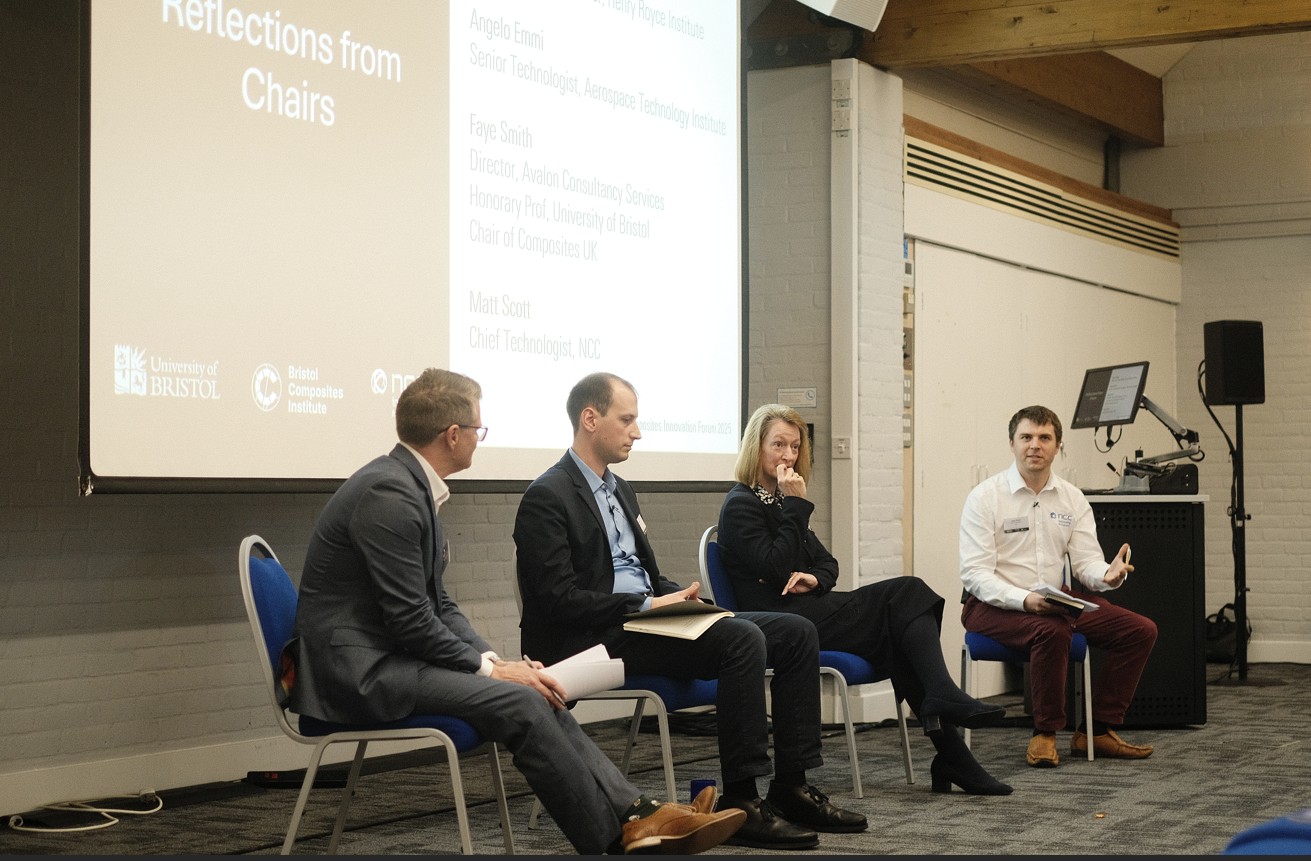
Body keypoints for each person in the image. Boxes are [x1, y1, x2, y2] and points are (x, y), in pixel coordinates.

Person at [287, 368, 745, 855]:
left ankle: (637, 817)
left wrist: (492, 658)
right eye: (479, 431)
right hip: (360, 673)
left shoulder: (407, 485)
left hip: (391, 658)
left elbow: (438, 604)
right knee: (523, 701)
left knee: (538, 690)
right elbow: (410, 619)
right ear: (453, 435)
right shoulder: (390, 495)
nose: (480, 440)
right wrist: (493, 668)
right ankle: (612, 842)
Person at [514, 372, 867, 852]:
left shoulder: (620, 490)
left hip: (645, 623)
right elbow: (556, 599)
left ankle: (791, 786)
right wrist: (645, 604)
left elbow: (644, 575)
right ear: (590, 419)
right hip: (596, 638)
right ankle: (744, 802)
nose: (637, 432)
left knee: (794, 631)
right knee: (742, 639)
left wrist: (676, 597)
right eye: (627, 420)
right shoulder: (547, 496)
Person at [715, 403, 1012, 797]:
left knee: (898, 632)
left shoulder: (779, 503)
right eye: (778, 445)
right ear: (756, 447)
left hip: (805, 607)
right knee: (906, 592)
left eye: (794, 446)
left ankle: (952, 750)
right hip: (778, 621)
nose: (787, 456)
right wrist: (797, 508)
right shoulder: (742, 504)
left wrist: (813, 578)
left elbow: (828, 564)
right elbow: (774, 566)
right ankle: (946, 717)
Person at [959, 404, 1158, 768]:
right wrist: (1027, 600)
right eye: (1026, 437)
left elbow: (1086, 565)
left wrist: (1108, 575)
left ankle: (1096, 730)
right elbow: (976, 574)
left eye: (1044, 438)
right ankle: (1045, 733)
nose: (1035, 445)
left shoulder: (1071, 497)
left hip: (1055, 602)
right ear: (1012, 443)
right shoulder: (985, 497)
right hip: (990, 606)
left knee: (1139, 630)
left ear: (1058, 446)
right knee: (1052, 627)